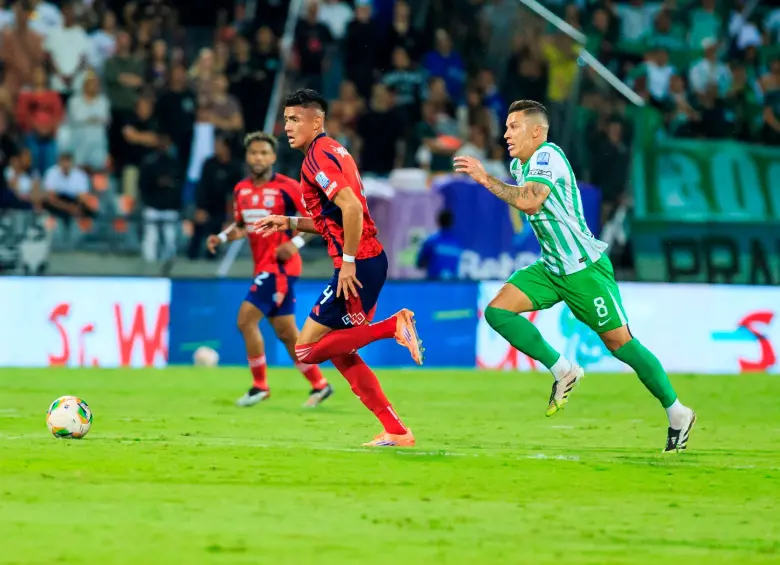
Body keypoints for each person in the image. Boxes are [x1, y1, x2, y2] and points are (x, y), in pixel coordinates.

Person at [453, 99, 696, 454]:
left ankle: (678, 413)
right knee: (497, 311)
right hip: (551, 268)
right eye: (505, 127)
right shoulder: (520, 165)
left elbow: (531, 201)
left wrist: (484, 178)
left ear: (537, 131)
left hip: (583, 270)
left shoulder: (548, 156)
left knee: (621, 344)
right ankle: (563, 369)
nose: (505, 134)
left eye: (513, 126)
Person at [255, 89, 422, 448]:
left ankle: (393, 326)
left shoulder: (317, 157)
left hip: (358, 264)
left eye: (295, 119)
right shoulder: (333, 150)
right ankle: (396, 431)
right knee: (342, 353)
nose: (287, 127)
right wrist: (289, 221)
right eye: (285, 120)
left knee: (306, 350)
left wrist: (347, 263)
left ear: (317, 121)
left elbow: (352, 209)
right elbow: (333, 219)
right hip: (367, 260)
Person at [207, 131, 333, 409]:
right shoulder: (241, 190)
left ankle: (260, 386)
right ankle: (320, 384)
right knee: (286, 332)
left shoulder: (288, 187)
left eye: (264, 153)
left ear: (273, 157)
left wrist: (295, 243)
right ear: (247, 157)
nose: (258, 158)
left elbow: (317, 220)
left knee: (245, 320)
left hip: (280, 267)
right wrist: (222, 237)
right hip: (263, 266)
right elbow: (243, 225)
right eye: (254, 153)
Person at [416, 209, 462, 280]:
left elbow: (419, 263)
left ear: (438, 222)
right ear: (452, 224)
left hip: (434, 284)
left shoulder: (431, 241)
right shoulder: (457, 244)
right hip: (452, 284)